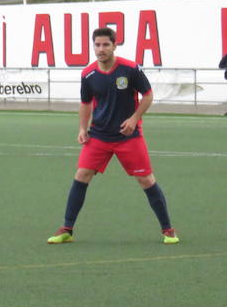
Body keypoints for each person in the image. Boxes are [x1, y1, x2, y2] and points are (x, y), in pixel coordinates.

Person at [47, 27, 179, 245]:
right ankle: (67, 229)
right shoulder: (88, 74)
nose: (101, 49)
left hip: (129, 137)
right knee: (81, 175)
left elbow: (147, 95)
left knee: (146, 179)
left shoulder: (130, 69)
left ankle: (168, 230)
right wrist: (82, 129)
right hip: (98, 136)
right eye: (97, 45)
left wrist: (135, 118)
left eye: (105, 45)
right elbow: (85, 103)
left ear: (114, 45)